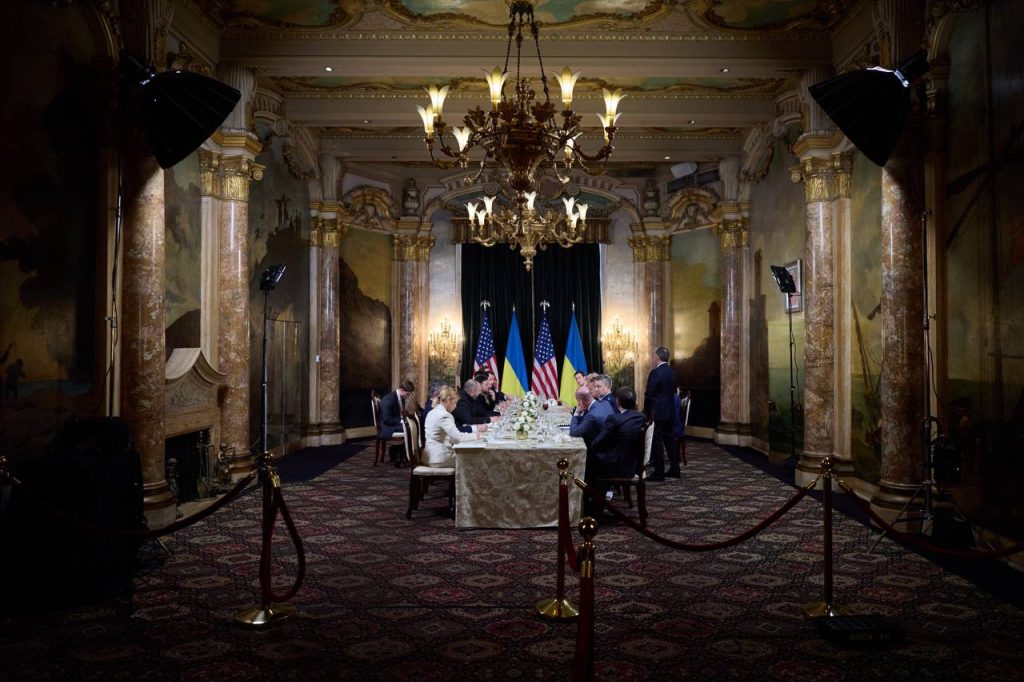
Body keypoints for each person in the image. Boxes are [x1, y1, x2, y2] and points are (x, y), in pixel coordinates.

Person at [586, 387, 647, 513]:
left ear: (617, 402)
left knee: (588, 462)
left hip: (617, 467)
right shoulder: (641, 417)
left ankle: (593, 508)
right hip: (632, 464)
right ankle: (598, 503)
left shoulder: (614, 419)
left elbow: (596, 443)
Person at [423, 385, 485, 468]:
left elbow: (449, 437)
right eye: (455, 402)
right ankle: (465, 481)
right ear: (448, 400)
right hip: (440, 458)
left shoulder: (432, 412)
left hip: (429, 456)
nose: (455, 406)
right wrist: (476, 436)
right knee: (474, 461)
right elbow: (457, 437)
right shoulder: (444, 415)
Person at [643, 346, 679, 481]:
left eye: (653, 356)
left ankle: (659, 473)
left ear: (657, 358)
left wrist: (646, 412)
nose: (652, 358)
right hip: (670, 412)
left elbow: (649, 394)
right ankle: (675, 469)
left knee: (657, 443)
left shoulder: (655, 372)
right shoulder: (672, 372)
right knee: (670, 441)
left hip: (657, 413)